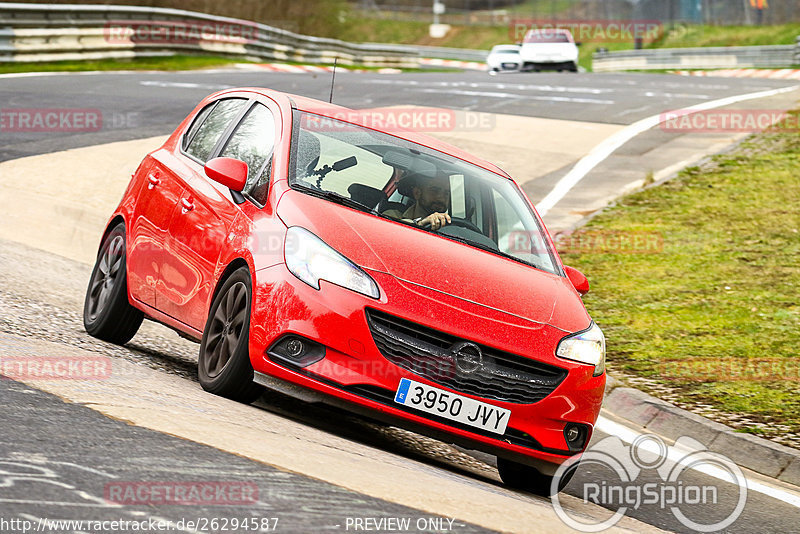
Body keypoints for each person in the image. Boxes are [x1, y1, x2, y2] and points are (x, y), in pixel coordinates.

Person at [383, 172, 452, 230]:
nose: (441, 198)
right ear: (417, 193)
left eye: (446, 193)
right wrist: (420, 224)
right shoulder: (393, 216)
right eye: (434, 190)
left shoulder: (452, 228)